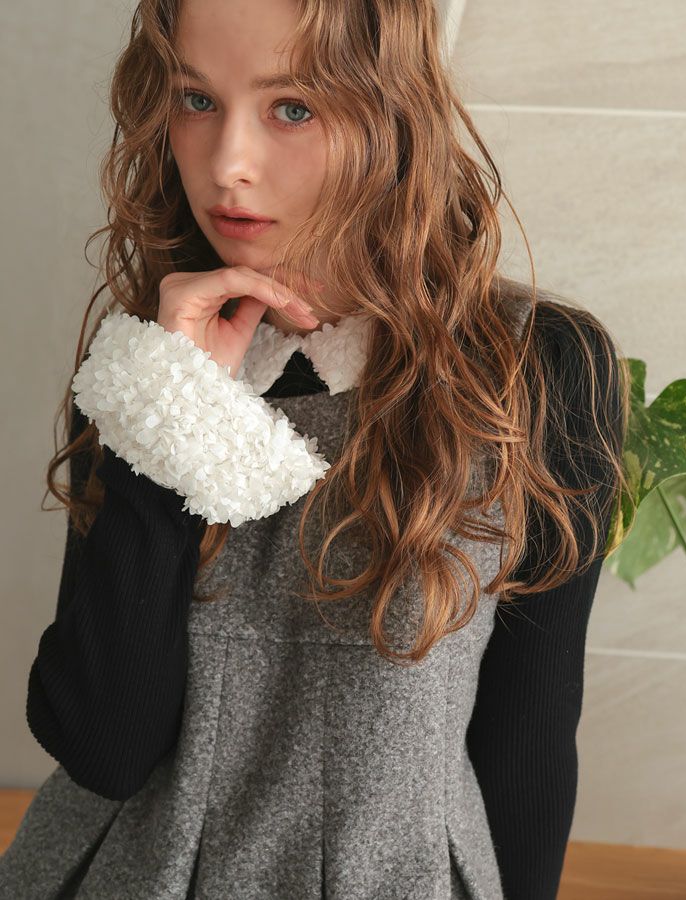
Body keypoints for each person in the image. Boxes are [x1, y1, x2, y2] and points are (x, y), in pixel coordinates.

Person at [0, 0, 630, 898]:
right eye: (195, 99)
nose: (228, 165)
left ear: (392, 114)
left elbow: (527, 738)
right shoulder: (148, 359)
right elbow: (105, 746)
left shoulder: (541, 367)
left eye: (292, 107)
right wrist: (172, 404)